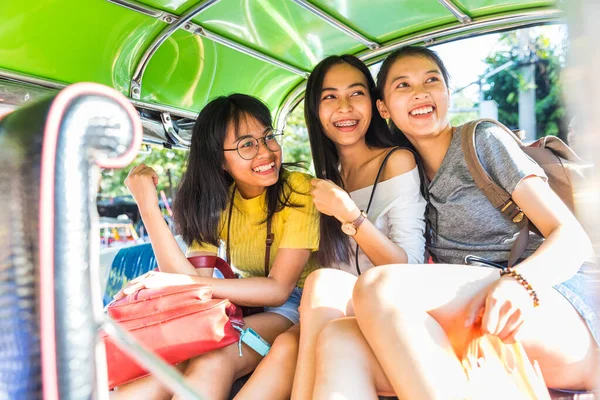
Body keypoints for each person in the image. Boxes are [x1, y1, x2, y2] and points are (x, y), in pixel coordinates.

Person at [310, 45, 600, 399]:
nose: (420, 92)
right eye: (403, 85)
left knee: (380, 286)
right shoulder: (406, 171)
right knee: (338, 337)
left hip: (555, 310)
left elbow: (572, 239)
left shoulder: (481, 141)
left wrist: (520, 284)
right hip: (479, 322)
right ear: (383, 107)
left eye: (431, 80)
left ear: (447, 93)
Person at [234, 54, 426, 400]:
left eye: (356, 94)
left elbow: (408, 268)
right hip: (330, 310)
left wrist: (350, 215)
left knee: (321, 284)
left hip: (385, 301)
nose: (345, 108)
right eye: (329, 97)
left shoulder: (397, 160)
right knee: (283, 350)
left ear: (374, 103)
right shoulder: (322, 179)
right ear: (315, 111)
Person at [110, 93, 320, 400]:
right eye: (247, 144)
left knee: (213, 358)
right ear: (219, 159)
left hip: (299, 306)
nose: (266, 151)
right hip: (247, 303)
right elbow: (188, 281)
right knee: (168, 363)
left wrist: (179, 282)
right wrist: (146, 203)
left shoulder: (299, 189)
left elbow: (279, 289)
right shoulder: (219, 201)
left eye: (268, 136)